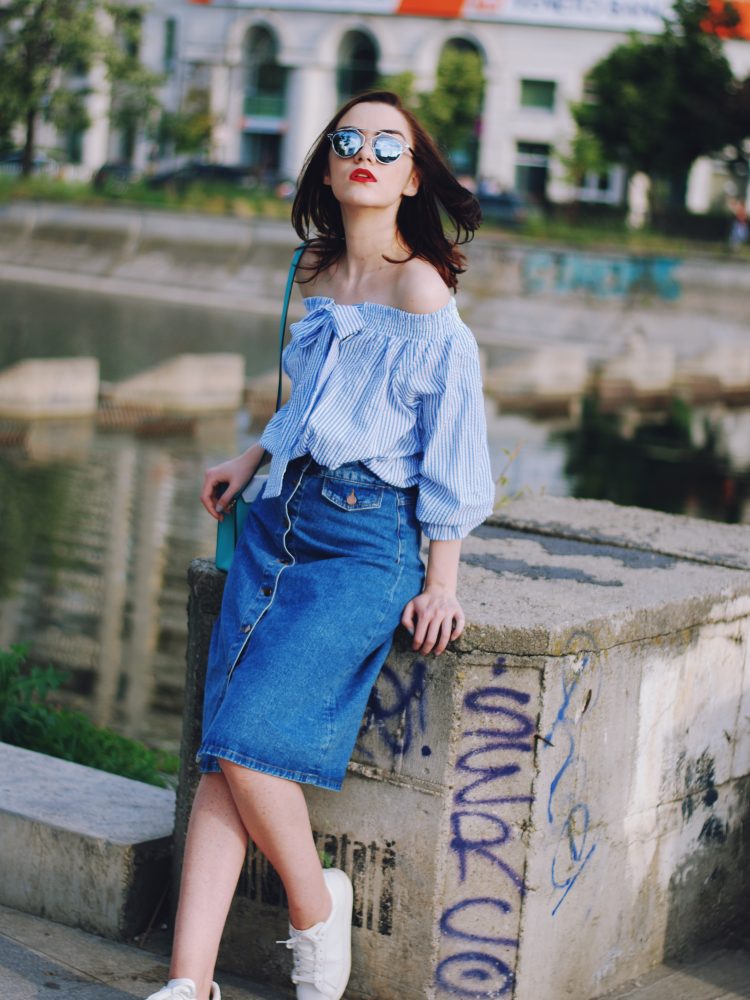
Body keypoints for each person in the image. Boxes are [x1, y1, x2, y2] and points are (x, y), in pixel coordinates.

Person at [146, 90, 494, 1000]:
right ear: (330, 165)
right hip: (279, 520)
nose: (366, 155)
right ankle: (190, 982)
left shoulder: (422, 288)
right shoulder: (314, 270)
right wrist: (253, 453)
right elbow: (309, 400)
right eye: (349, 141)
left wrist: (443, 577)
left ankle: (314, 905)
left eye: (389, 145)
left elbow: (452, 441)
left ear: (413, 174)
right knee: (224, 750)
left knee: (247, 742)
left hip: (367, 539)